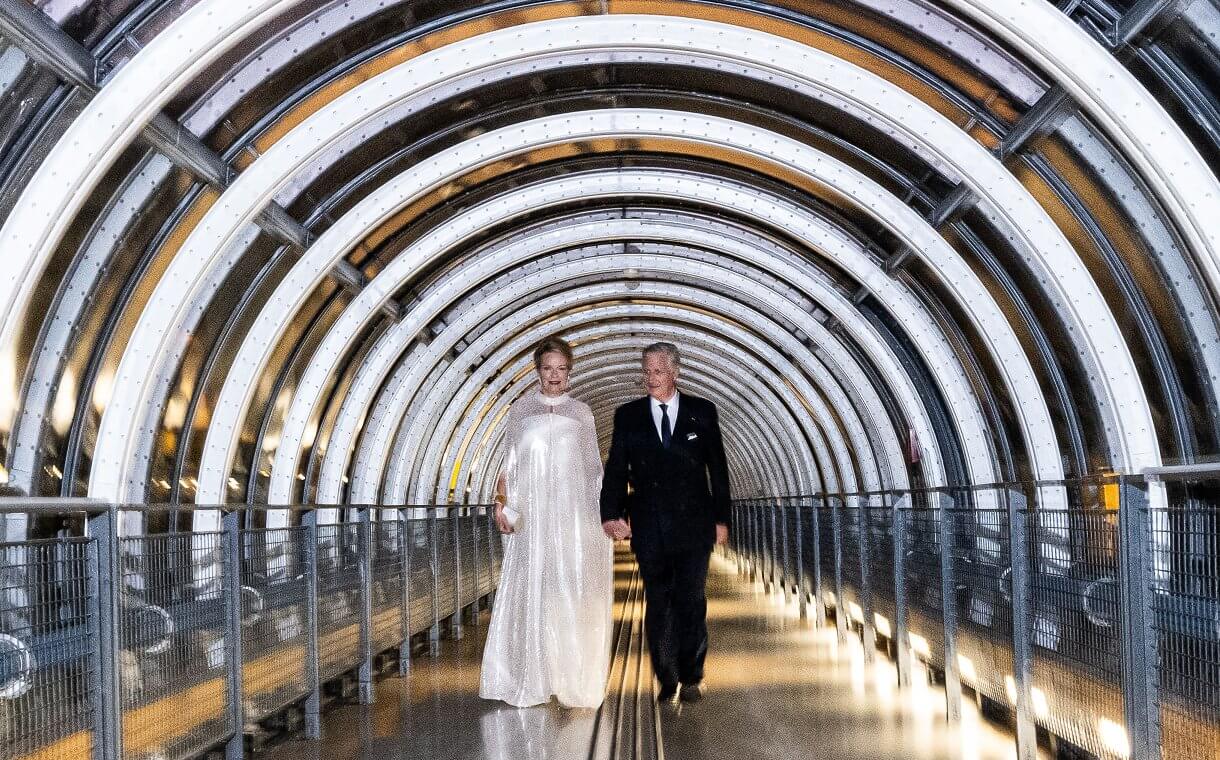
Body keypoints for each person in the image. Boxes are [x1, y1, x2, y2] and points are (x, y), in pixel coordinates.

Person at [479, 336, 613, 709]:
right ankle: (531, 675)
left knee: (569, 590)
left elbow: (593, 472)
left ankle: (571, 675)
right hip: (534, 519)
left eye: (561, 369)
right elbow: (508, 465)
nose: (554, 376)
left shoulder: (581, 413)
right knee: (533, 586)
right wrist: (502, 504)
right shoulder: (520, 410)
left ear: (569, 371)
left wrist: (605, 516)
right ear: (537, 371)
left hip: (572, 519)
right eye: (547, 369)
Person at [599, 342, 731, 705]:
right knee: (658, 602)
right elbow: (616, 469)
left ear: (676, 372)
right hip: (649, 524)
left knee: (691, 599)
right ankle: (666, 678)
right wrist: (611, 514)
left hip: (694, 525)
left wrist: (721, 519)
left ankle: (691, 675)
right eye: (646, 371)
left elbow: (717, 470)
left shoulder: (702, 412)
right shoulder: (628, 415)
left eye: (657, 371)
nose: (650, 378)